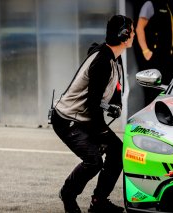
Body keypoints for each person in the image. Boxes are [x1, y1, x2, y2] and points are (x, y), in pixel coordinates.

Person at [50, 15, 134, 213]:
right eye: (131, 31)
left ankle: (98, 202)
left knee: (116, 152)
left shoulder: (113, 55)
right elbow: (92, 105)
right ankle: (68, 193)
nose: (134, 34)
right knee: (94, 160)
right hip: (68, 120)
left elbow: (115, 84)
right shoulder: (103, 61)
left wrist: (115, 103)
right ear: (124, 35)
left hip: (85, 117)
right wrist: (102, 133)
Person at [135, 0, 173, 105]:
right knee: (155, 92)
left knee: (172, 90)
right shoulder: (151, 4)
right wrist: (145, 50)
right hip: (158, 57)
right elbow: (139, 28)